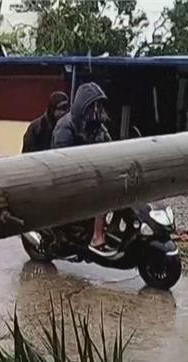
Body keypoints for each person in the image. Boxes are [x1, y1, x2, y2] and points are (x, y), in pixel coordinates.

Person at [51, 82, 113, 256]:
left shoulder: (97, 126)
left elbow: (109, 147)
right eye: (93, 105)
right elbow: (62, 161)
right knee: (101, 197)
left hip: (89, 174)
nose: (96, 109)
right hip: (67, 177)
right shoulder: (66, 127)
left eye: (98, 105)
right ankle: (97, 237)